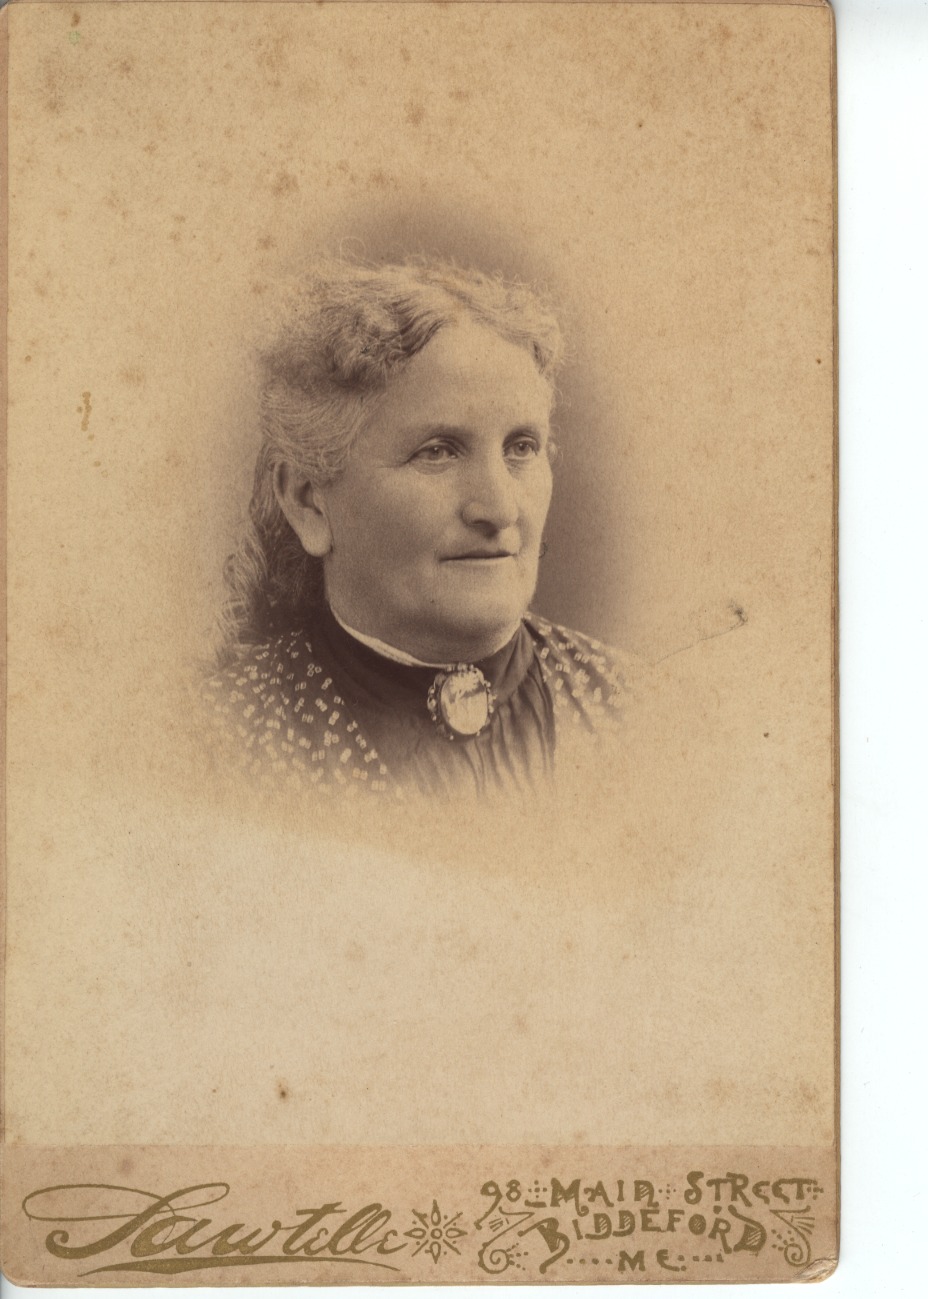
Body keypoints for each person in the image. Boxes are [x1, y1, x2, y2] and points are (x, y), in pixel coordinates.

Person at [203, 258, 635, 801]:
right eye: (437, 452)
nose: (500, 509)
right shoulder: (207, 743)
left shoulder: (644, 709)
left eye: (521, 448)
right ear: (308, 502)